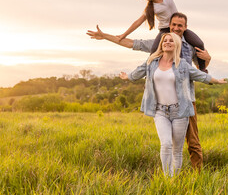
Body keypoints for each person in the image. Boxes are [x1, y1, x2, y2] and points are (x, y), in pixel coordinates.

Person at [87, 12, 209, 170]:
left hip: (186, 101)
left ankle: (197, 176)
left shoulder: (191, 47)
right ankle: (170, 178)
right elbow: (132, 43)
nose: (176, 28)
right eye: (174, 25)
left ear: (185, 27)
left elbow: (201, 71)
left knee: (193, 142)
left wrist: (208, 59)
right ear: (169, 26)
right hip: (162, 104)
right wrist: (105, 36)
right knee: (167, 143)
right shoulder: (159, 44)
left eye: (180, 25)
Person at [120, 32, 226, 177]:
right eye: (165, 40)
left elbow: (199, 75)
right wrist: (127, 77)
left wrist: (216, 81)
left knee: (177, 149)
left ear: (176, 44)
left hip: (180, 111)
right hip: (160, 111)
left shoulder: (182, 64)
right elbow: (138, 72)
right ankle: (167, 179)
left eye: (171, 40)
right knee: (166, 144)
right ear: (161, 44)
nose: (167, 42)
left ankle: (174, 180)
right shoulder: (152, 61)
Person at [94, 0, 208, 72]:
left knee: (199, 44)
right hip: (165, 30)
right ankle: (149, 74)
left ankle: (203, 69)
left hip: (178, 28)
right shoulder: (151, 8)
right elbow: (138, 22)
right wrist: (124, 34)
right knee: (154, 51)